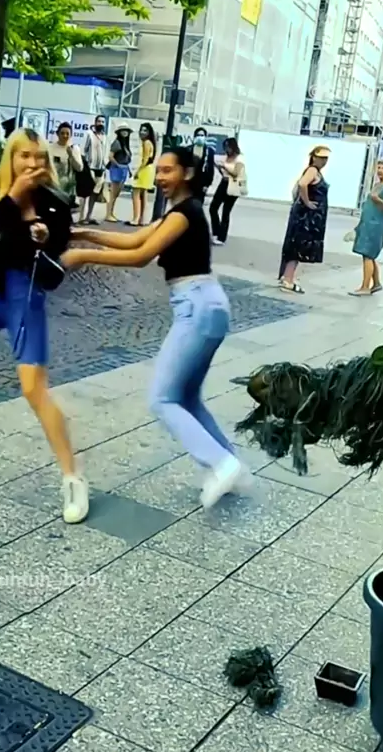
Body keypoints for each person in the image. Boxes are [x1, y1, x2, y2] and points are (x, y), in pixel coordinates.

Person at [63, 146, 251, 508]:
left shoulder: (185, 213)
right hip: (206, 304)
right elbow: (133, 239)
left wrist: (83, 255)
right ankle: (231, 465)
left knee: (162, 399)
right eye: (158, 171)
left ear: (187, 174)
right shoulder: (180, 212)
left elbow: (140, 256)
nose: (160, 177)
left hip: (197, 305)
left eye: (168, 171)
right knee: (187, 398)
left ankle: (222, 464)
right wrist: (82, 233)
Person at [0, 128, 89, 523]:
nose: (33, 164)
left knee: (33, 389)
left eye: (39, 157)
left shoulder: (54, 201)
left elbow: (60, 247)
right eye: (25, 156)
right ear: (12, 158)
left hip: (26, 297)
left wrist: (46, 235)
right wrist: (16, 197)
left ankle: (73, 478)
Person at [278, 145, 331, 294]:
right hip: (305, 217)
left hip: (307, 216)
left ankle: (287, 276)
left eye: (326, 158)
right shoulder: (312, 170)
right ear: (314, 157)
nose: (324, 161)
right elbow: (302, 184)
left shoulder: (314, 171)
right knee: (297, 246)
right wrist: (307, 202)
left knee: (297, 246)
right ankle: (288, 279)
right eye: (321, 158)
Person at [350, 158, 383, 297]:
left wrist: (377, 200)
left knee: (368, 255)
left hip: (377, 225)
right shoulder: (377, 184)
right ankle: (376, 283)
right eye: (379, 167)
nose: (380, 170)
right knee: (368, 255)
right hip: (368, 223)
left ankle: (365, 287)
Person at [209, 137, 246, 246]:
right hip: (224, 182)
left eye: (228, 147)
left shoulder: (240, 159)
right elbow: (225, 173)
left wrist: (224, 166)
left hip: (233, 185)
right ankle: (216, 231)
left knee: (226, 211)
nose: (226, 149)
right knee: (213, 207)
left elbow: (235, 173)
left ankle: (222, 237)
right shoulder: (227, 158)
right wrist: (219, 168)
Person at [79, 115, 107, 225]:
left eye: (103, 122)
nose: (101, 123)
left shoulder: (105, 136)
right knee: (86, 193)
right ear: (95, 122)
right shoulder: (89, 134)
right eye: (99, 121)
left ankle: (88, 216)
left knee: (94, 194)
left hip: (100, 169)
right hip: (90, 167)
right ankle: (81, 217)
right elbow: (84, 150)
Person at [127, 123, 156, 226]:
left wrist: (137, 172)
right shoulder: (150, 143)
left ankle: (136, 218)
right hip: (149, 169)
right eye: (141, 130)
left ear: (149, 133)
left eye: (145, 130)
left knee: (135, 193)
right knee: (143, 194)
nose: (142, 132)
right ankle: (142, 219)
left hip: (144, 169)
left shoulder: (146, 143)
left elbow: (145, 160)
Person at [49, 122, 83, 200]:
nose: (65, 136)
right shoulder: (50, 148)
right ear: (57, 134)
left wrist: (71, 155)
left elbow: (79, 168)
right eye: (62, 133)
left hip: (68, 188)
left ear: (71, 135)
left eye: (67, 134)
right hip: (53, 186)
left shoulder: (74, 149)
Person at [106, 124, 132, 222]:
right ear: (119, 132)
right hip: (117, 169)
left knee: (116, 193)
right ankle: (108, 214)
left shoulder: (125, 143)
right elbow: (110, 156)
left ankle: (111, 213)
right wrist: (118, 165)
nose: (125, 132)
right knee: (113, 192)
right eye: (123, 130)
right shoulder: (117, 143)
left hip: (123, 168)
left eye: (126, 130)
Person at [189, 127, 215, 205]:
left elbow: (210, 169)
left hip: (201, 184)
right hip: (189, 182)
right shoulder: (189, 149)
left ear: (205, 137)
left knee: (198, 205)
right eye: (198, 135)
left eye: (202, 135)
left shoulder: (209, 151)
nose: (200, 137)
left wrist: (207, 184)